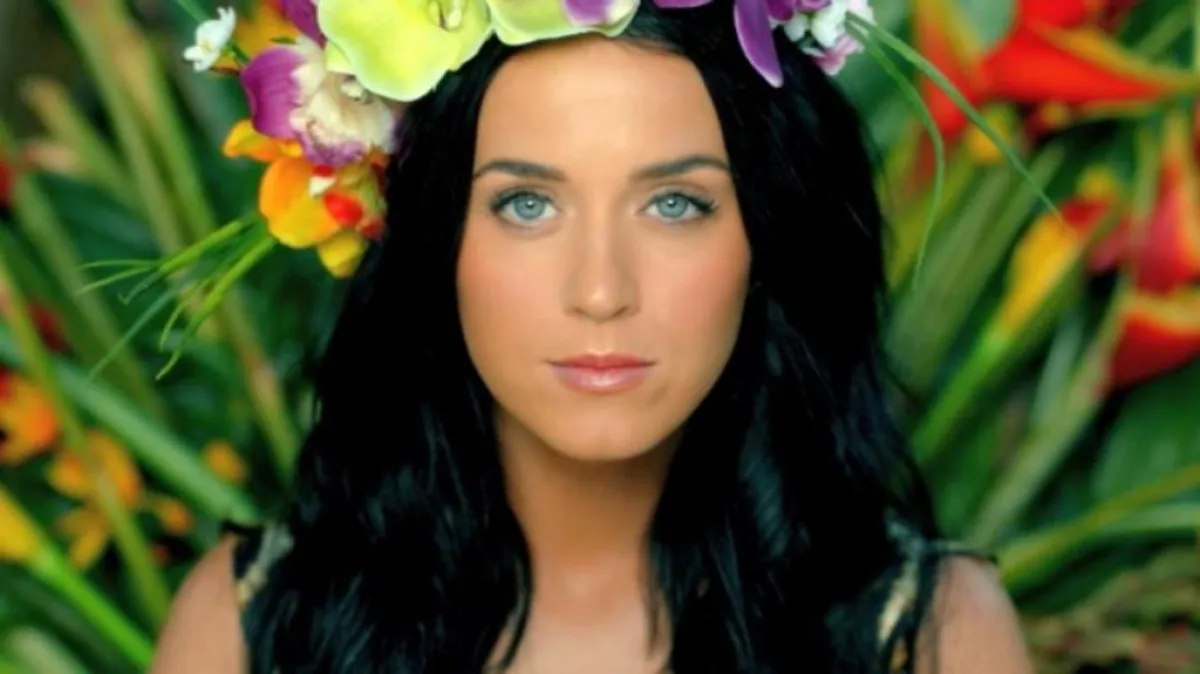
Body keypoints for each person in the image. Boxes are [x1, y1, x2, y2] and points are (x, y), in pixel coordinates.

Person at [149, 0, 1035, 671]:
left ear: (766, 240)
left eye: (675, 204)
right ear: (436, 242)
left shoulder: (930, 638)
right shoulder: (251, 625)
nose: (601, 291)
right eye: (526, 205)